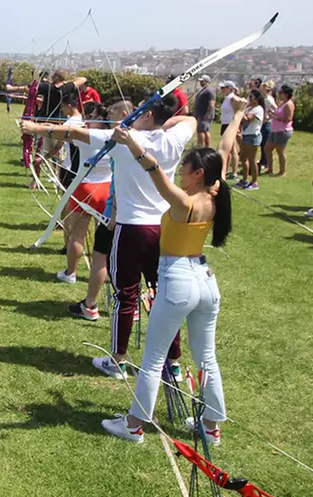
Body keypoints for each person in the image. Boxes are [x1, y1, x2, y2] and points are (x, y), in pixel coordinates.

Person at [27, 94, 213, 378]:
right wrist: (160, 125)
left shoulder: (121, 141)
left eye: (140, 112)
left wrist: (35, 129)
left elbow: (73, 132)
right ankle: (173, 363)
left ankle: (118, 360)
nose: (135, 115)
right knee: (161, 296)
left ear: (148, 116)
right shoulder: (172, 139)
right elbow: (189, 119)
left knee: (125, 297)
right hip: (164, 229)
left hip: (130, 229)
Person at [100, 124, 239, 446]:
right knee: (207, 359)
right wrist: (238, 116)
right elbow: (226, 148)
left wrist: (130, 142)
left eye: (186, 169)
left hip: (179, 282)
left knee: (152, 359)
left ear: (198, 174)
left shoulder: (184, 203)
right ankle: (211, 425)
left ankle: (134, 425)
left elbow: (154, 170)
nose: (181, 173)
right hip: (204, 282)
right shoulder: (214, 196)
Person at [54, 95, 111, 286]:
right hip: (108, 189)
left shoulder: (84, 137)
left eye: (90, 117)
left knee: (77, 233)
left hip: (85, 186)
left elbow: (58, 133)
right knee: (106, 237)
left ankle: (71, 272)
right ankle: (108, 274)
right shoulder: (116, 136)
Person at [237, 84, 264, 190]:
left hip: (253, 136)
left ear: (256, 99)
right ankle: (244, 179)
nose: (249, 98)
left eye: (251, 97)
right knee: (243, 158)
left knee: (252, 159)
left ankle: (254, 182)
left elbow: (247, 119)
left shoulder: (258, 109)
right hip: (246, 135)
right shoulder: (249, 108)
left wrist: (239, 110)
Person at [267, 85, 295, 177]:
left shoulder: (289, 104)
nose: (279, 94)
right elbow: (278, 112)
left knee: (280, 151)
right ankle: (270, 169)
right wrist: (272, 111)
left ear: (287, 94)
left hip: (283, 130)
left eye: (281, 93)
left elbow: (288, 118)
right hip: (275, 129)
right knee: (267, 148)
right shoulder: (281, 102)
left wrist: (274, 117)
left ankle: (282, 171)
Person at [218, 81, 239, 179]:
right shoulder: (227, 98)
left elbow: (237, 111)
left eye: (224, 88)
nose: (222, 90)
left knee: (233, 149)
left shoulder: (232, 98)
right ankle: (226, 169)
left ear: (230, 88)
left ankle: (234, 172)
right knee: (227, 149)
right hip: (224, 124)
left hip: (229, 124)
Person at [257, 80, 277, 173]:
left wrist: (269, 116)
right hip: (263, 122)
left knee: (265, 144)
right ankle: (262, 161)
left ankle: (265, 163)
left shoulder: (269, 99)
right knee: (262, 144)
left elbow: (275, 108)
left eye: (263, 87)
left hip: (267, 123)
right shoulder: (264, 98)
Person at [193, 75, 216, 148]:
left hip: (205, 115)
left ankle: (202, 146)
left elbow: (212, 104)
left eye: (202, 81)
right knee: (204, 130)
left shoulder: (209, 91)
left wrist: (208, 114)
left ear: (207, 81)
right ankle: (205, 146)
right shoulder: (203, 90)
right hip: (201, 114)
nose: (200, 82)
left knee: (202, 131)